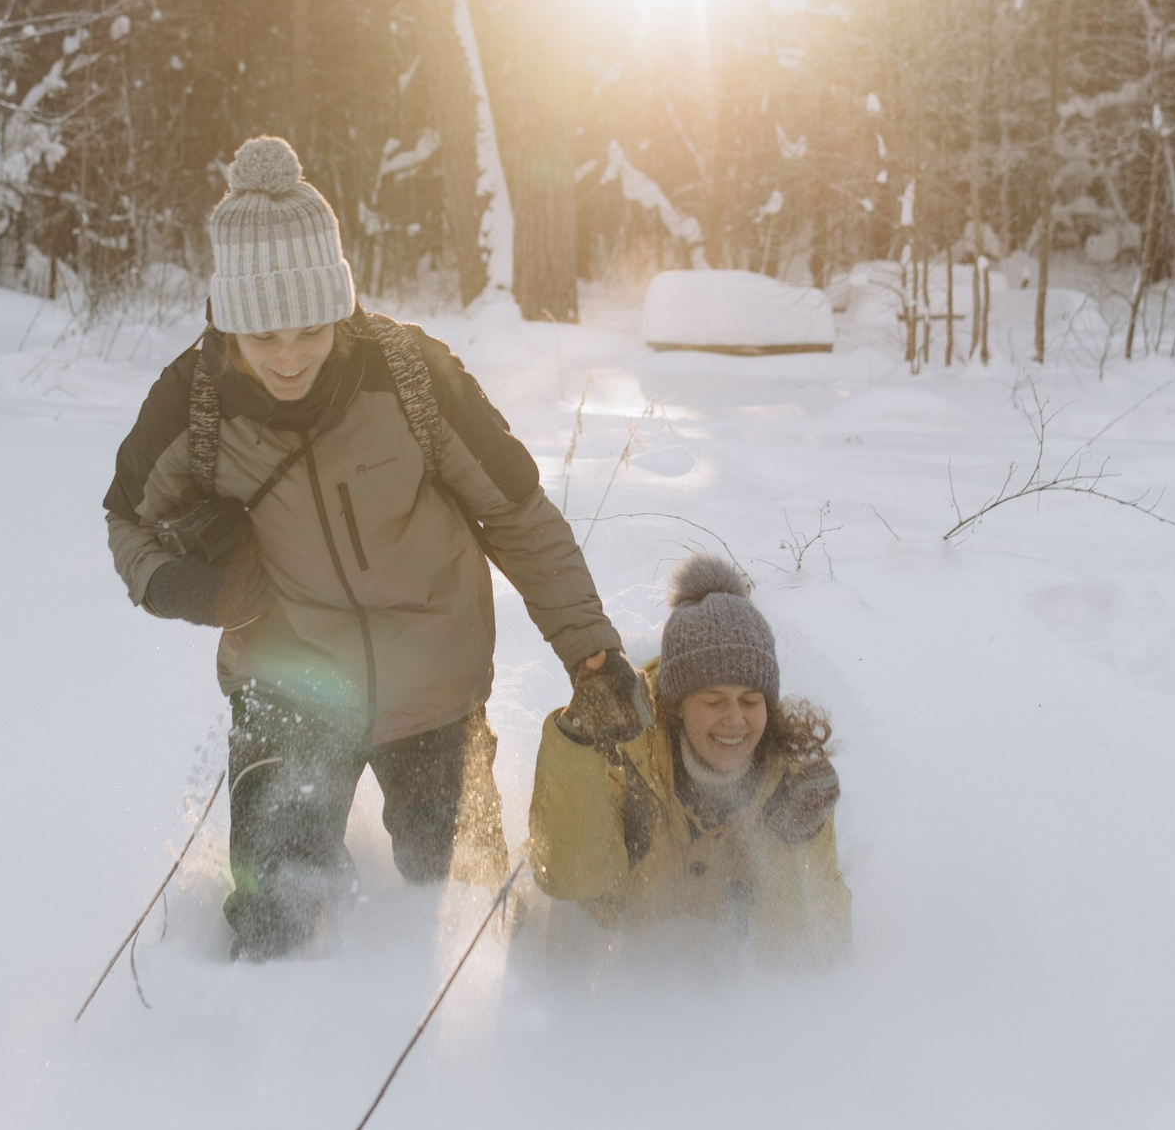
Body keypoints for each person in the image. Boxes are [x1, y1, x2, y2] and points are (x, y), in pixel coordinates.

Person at [104, 134, 641, 960]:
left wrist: (591, 651)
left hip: (432, 685)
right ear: (230, 324)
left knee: (467, 921)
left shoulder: (411, 376)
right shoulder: (195, 402)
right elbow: (128, 524)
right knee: (275, 919)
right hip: (287, 688)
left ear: (340, 305)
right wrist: (189, 587)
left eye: (310, 328)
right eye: (264, 335)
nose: (289, 357)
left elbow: (521, 514)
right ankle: (269, 1024)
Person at [528, 554, 850, 963]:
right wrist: (576, 745)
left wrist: (794, 846)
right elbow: (571, 881)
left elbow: (816, 951)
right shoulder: (626, 755)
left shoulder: (790, 779)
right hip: (624, 985)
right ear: (677, 704)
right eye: (714, 701)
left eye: (751, 701)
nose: (735, 720)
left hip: (728, 1002)